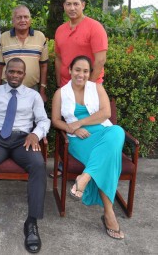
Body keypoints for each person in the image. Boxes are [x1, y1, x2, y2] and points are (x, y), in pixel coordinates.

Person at [0, 58, 50, 253]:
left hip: (23, 140)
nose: (14, 75)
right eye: (11, 71)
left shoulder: (33, 96)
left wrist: (35, 135)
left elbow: (44, 121)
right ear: (5, 73)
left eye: (19, 72)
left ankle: (31, 222)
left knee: (38, 165)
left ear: (24, 74)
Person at [51, 55, 125, 240]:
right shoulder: (60, 93)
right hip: (78, 139)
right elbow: (55, 120)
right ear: (69, 70)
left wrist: (80, 123)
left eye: (85, 71)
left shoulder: (97, 88)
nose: (81, 74)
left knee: (117, 131)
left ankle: (85, 177)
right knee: (107, 160)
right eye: (77, 70)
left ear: (89, 73)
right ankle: (109, 214)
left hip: (103, 132)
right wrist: (72, 128)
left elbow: (106, 113)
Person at [55, 0, 108, 88]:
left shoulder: (95, 27)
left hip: (90, 85)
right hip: (65, 85)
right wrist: (59, 84)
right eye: (68, 4)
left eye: (76, 4)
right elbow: (58, 58)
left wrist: (88, 86)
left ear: (83, 5)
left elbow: (100, 60)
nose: (72, 8)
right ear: (64, 6)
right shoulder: (60, 30)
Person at [0, 5, 48, 102]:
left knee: (30, 116)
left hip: (32, 88)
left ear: (30, 19)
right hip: (7, 88)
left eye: (26, 17)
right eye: (19, 17)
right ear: (13, 20)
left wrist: (42, 91)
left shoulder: (40, 37)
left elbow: (44, 66)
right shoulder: (4, 38)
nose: (23, 20)